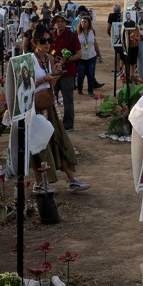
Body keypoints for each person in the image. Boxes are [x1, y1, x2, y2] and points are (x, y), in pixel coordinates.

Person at [27, 26, 89, 194]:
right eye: (43, 41)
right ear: (34, 42)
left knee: (60, 139)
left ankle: (71, 179)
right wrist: (44, 79)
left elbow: (51, 85)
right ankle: (39, 183)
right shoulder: (28, 61)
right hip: (34, 108)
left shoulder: (50, 59)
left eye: (49, 40)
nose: (47, 43)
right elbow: (25, 87)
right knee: (39, 145)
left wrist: (54, 75)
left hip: (49, 105)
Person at [50, 15, 80, 130]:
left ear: (66, 23)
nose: (60, 23)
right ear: (54, 23)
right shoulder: (51, 36)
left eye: (62, 21)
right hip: (53, 74)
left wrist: (67, 59)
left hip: (67, 73)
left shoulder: (72, 36)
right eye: (57, 21)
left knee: (68, 99)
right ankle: (53, 123)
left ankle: (68, 124)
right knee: (51, 99)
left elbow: (79, 54)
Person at [75, 16, 102, 95]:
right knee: (81, 75)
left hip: (91, 56)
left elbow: (94, 43)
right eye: (82, 22)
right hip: (81, 57)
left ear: (89, 23)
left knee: (91, 75)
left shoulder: (92, 31)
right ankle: (80, 89)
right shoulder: (77, 32)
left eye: (85, 22)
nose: (83, 23)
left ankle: (90, 91)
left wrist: (99, 54)